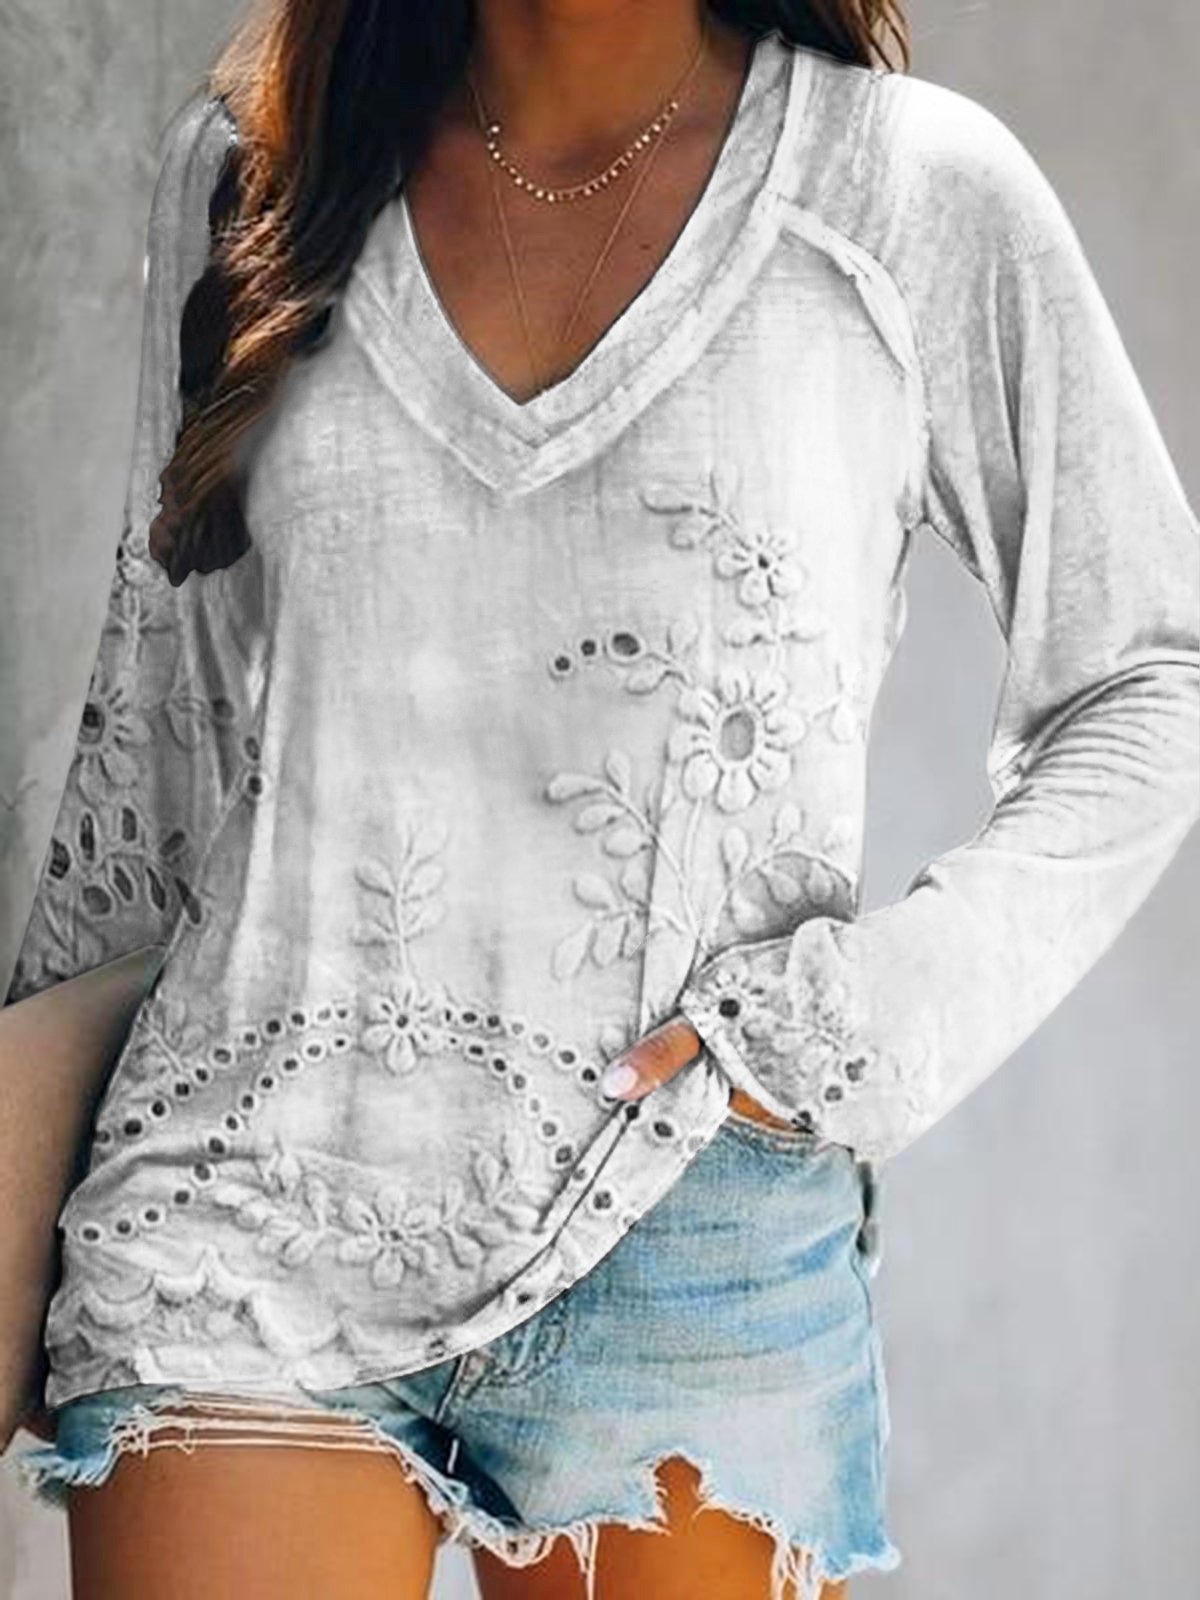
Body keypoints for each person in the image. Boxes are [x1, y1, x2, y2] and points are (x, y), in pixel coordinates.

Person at [5, 0, 1197, 1596]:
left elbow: (1150, 672)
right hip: (241, 1216)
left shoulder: (903, 194)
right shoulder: (253, 168)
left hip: (690, 1225)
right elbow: (158, 742)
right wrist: (21, 1198)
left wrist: (850, 1025)